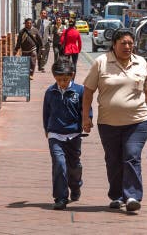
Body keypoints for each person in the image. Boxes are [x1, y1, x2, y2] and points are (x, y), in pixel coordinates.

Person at [82, 29, 147, 213]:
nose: (127, 47)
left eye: (130, 43)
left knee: (131, 156)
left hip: (137, 121)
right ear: (114, 44)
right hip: (108, 123)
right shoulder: (101, 62)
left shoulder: (140, 63)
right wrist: (86, 116)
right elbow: (88, 91)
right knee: (114, 160)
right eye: (123, 43)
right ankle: (116, 196)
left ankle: (132, 196)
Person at [43, 59, 89, 210]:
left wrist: (87, 121)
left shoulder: (79, 91)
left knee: (74, 165)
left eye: (65, 79)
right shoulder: (50, 92)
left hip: (73, 134)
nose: (62, 83)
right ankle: (61, 197)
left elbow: (85, 109)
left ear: (72, 76)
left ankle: (76, 186)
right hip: (55, 134)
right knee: (59, 164)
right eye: (59, 79)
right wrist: (47, 129)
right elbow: (46, 112)